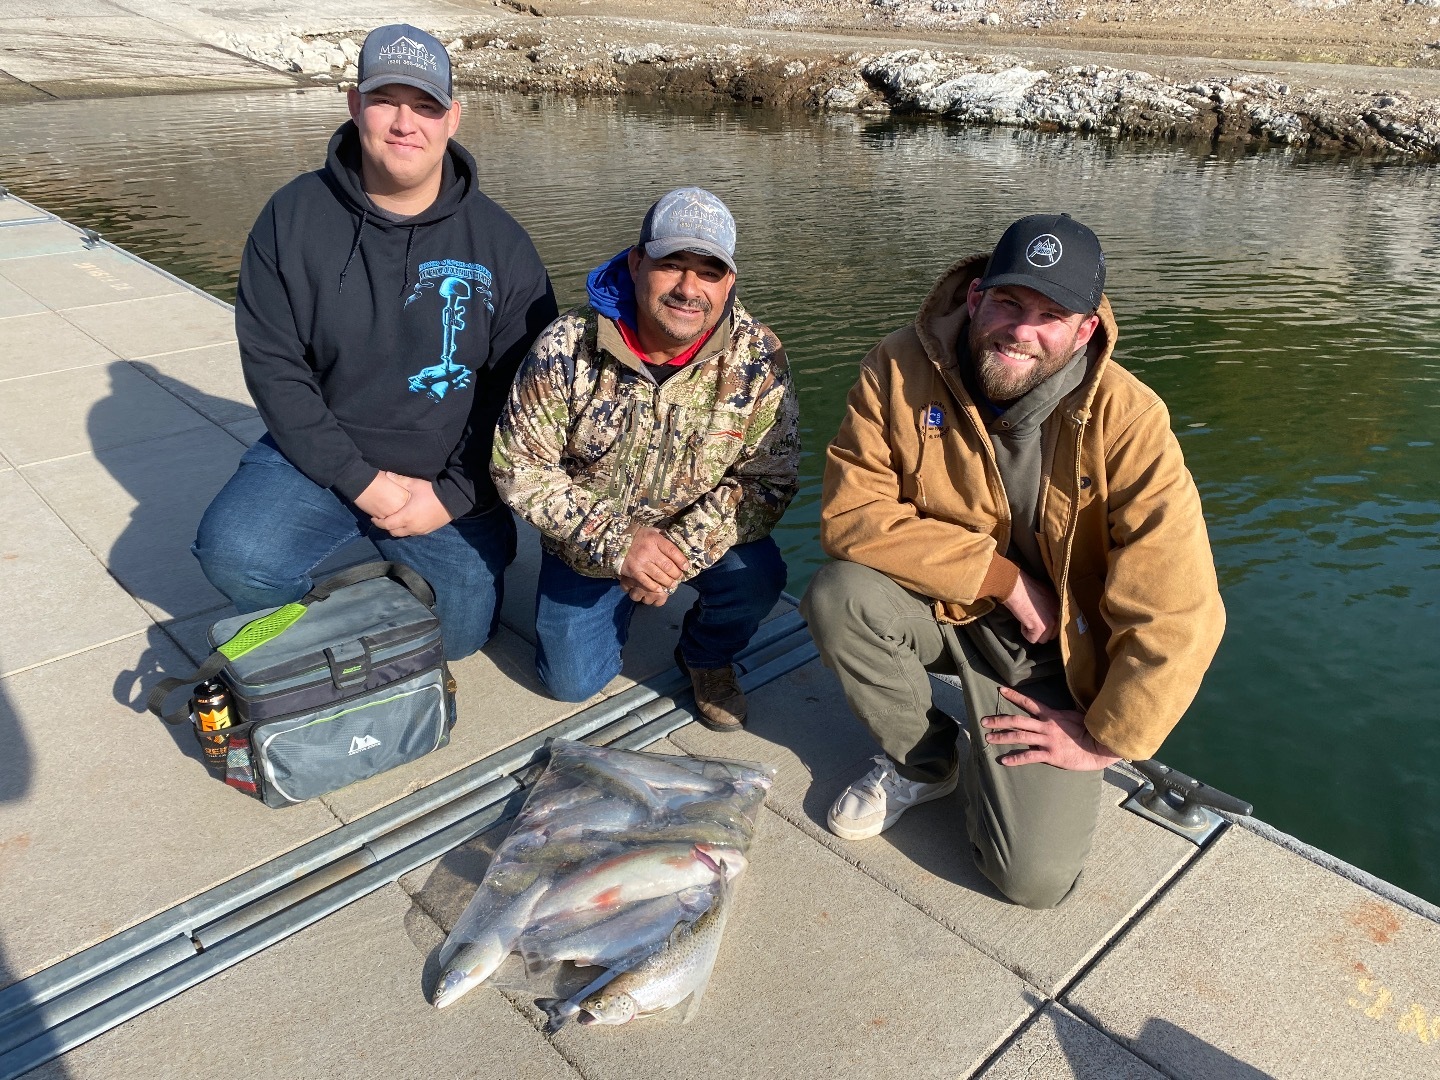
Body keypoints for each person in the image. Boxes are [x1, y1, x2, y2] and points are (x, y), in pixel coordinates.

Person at [802, 213, 1224, 908]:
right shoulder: (897, 364)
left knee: (1032, 883)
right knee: (839, 596)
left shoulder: (1132, 420)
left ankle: (1018, 750)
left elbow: (1180, 606)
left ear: (1085, 331)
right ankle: (925, 760)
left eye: (1050, 315)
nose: (1020, 330)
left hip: (1059, 660)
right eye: (1007, 302)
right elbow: (852, 515)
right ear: (975, 298)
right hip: (943, 610)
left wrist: (1105, 737)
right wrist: (1004, 581)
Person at [193, 23, 557, 660]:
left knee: (461, 637)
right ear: (355, 104)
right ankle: (325, 644)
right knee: (237, 558)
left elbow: (526, 399)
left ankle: (430, 572)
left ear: (453, 119)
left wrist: (453, 495)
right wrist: (363, 482)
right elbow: (276, 370)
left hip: (446, 478)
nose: (403, 122)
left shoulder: (503, 246)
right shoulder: (291, 216)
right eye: (386, 99)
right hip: (326, 459)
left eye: (424, 105)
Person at [492, 187, 799, 731]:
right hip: (587, 548)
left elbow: (768, 483)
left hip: (694, 540)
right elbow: (519, 467)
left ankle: (706, 653)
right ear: (636, 264)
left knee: (759, 575)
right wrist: (621, 543)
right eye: (671, 264)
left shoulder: (759, 359)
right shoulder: (566, 344)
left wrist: (671, 555)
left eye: (709, 272)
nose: (689, 288)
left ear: (729, 282)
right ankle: (613, 597)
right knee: (570, 682)